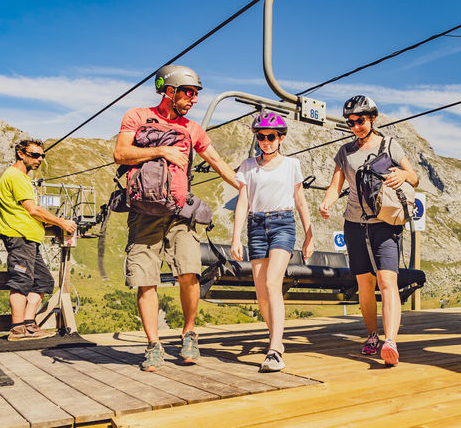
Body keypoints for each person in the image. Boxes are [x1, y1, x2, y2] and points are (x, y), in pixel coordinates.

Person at [114, 64, 239, 372]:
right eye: (190, 93)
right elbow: (121, 154)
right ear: (170, 91)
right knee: (146, 280)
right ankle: (153, 345)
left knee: (189, 273)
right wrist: (162, 152)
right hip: (144, 213)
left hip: (181, 213)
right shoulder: (137, 116)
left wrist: (247, 188)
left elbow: (217, 161)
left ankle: (189, 332)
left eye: (196, 94)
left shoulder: (193, 129)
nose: (194, 99)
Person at [319, 95, 419, 366]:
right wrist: (327, 202)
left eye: (360, 121)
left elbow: (415, 177)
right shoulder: (345, 152)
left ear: (372, 119)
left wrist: (402, 175)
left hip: (385, 223)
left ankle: (391, 341)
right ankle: (372, 335)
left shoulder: (389, 145)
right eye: (350, 122)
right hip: (354, 224)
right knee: (365, 283)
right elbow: (335, 185)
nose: (355, 126)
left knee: (388, 281)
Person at [230, 112, 313, 372]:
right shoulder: (247, 166)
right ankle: (275, 337)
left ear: (281, 138)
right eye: (261, 137)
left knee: (272, 282)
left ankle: (275, 348)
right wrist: (235, 237)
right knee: (261, 294)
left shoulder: (292, 165)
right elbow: (243, 201)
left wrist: (310, 234)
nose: (265, 142)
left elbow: (300, 200)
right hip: (256, 227)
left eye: (270, 137)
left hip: (283, 224)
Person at [0, 140, 77, 340]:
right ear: (21, 154)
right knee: (21, 281)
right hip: (19, 236)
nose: (40, 159)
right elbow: (33, 209)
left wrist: (43, 223)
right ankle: (17, 328)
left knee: (44, 281)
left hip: (27, 237)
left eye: (42, 156)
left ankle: (29, 324)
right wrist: (60, 222)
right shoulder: (17, 177)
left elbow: (23, 210)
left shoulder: (17, 177)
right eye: (35, 155)